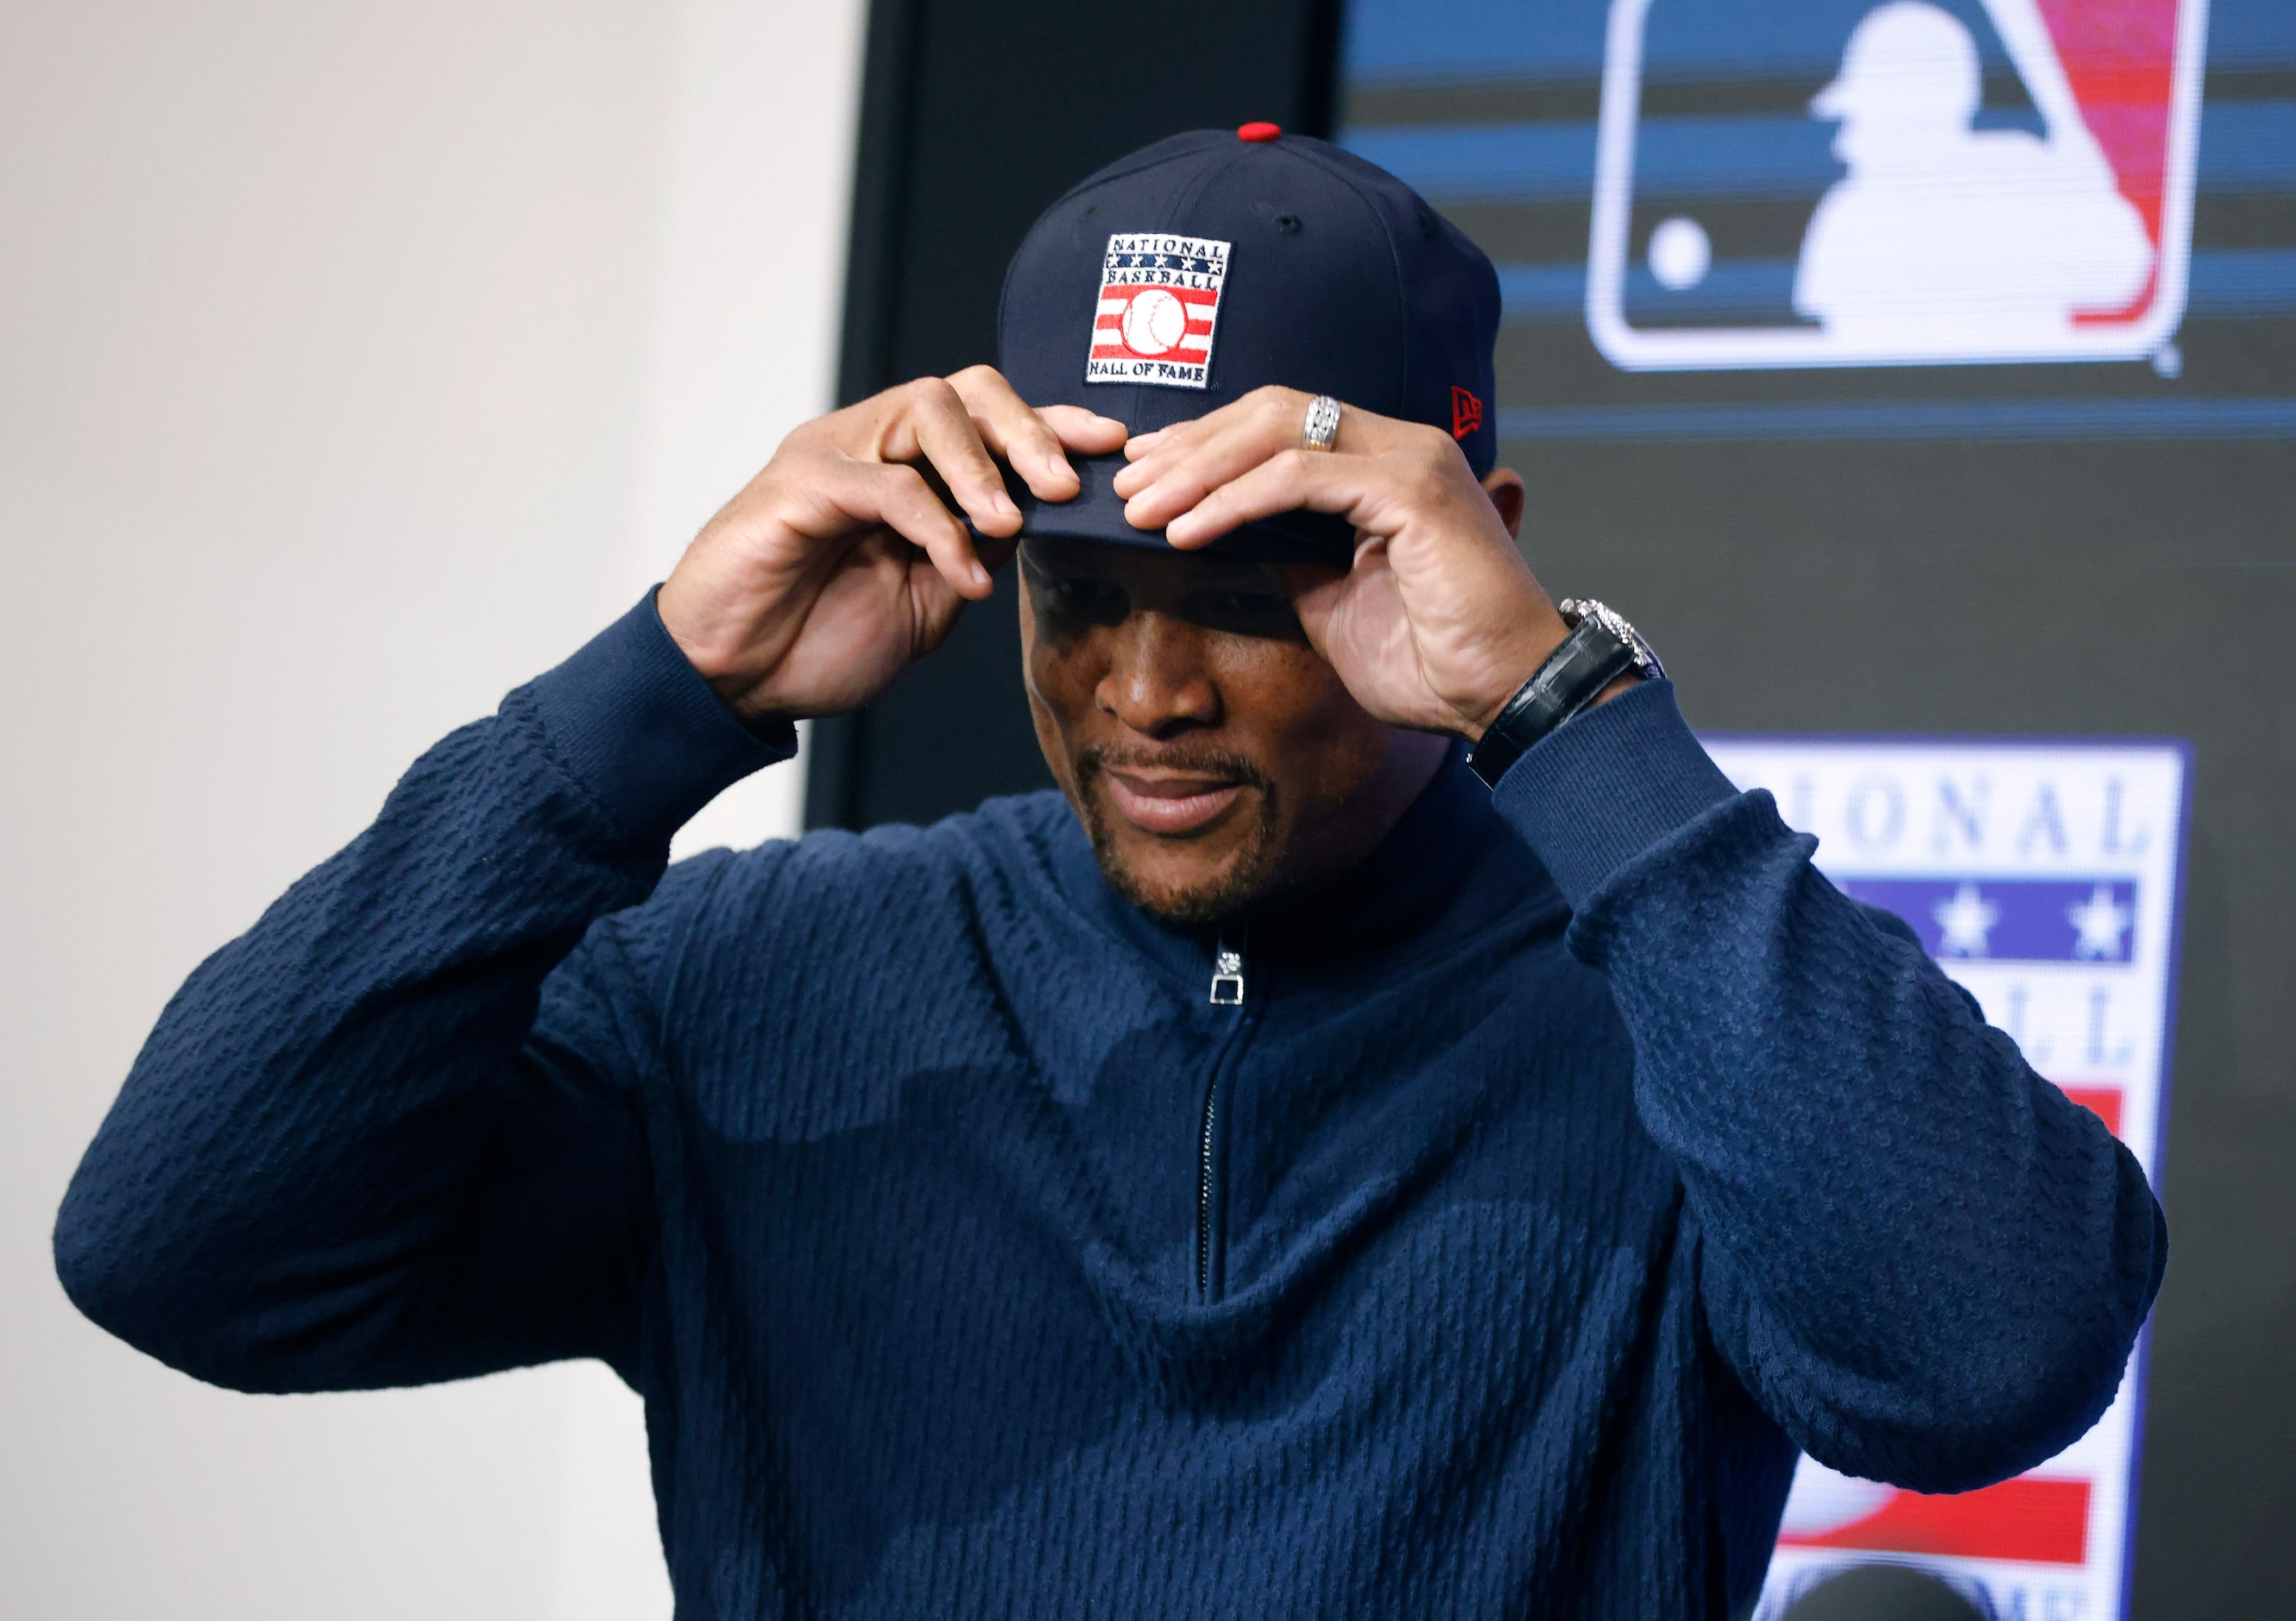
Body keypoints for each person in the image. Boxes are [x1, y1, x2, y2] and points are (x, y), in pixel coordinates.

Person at [55, 128, 2163, 1618]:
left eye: (1256, 587)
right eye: (1079, 590)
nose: (1148, 688)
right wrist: (655, 692)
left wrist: (1565, 718)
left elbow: (1989, 1360)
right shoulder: (762, 976)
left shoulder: (1681, 997)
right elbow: (185, 1246)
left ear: (1453, 536)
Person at [1795, 0, 2153, 349]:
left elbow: (2124, 275)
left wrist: (2087, 195)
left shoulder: (2019, 178)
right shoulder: (1854, 214)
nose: (1847, 142)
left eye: (1865, 116)